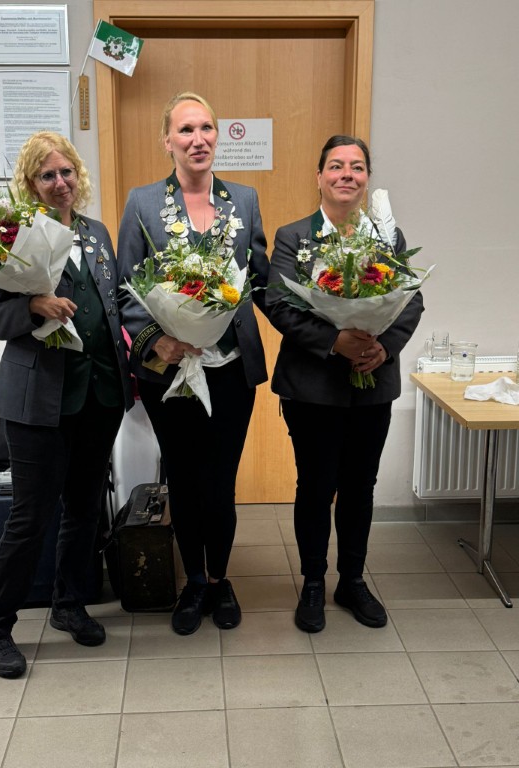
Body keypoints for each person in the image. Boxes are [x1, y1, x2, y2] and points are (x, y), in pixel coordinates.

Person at [0, 132, 134, 678]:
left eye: (67, 172)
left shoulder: (95, 233)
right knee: (30, 517)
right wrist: (33, 307)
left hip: (99, 395)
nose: (60, 182)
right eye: (48, 175)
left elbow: (111, 306)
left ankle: (69, 604)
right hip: (37, 403)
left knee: (84, 509)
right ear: (31, 183)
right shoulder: (12, 235)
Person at [117, 92, 269, 635]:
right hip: (169, 372)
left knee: (221, 480)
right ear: (168, 141)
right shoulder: (141, 203)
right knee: (183, 478)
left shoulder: (244, 200)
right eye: (186, 130)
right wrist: (156, 340)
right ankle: (195, 582)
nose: (198, 139)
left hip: (230, 368)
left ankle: (221, 579)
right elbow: (126, 287)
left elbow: (261, 280)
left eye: (206, 128)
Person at [266, 135, 424, 633]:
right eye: (336, 166)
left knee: (360, 487)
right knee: (315, 487)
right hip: (312, 387)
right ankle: (313, 582)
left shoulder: (388, 237)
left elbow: (412, 299)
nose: (346, 175)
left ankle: (351, 580)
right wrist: (335, 341)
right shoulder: (294, 237)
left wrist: (384, 347)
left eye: (357, 167)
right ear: (319, 176)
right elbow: (278, 303)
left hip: (371, 383)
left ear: (367, 179)